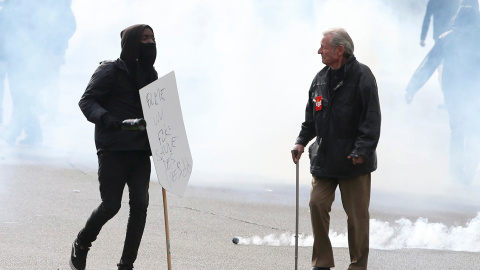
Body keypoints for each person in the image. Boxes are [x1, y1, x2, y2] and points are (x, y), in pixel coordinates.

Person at [69, 24, 158, 270]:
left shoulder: (151, 74)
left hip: (140, 151)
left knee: (140, 206)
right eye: (144, 38)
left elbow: (159, 112)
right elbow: (87, 101)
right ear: (131, 43)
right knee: (111, 205)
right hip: (113, 149)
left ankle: (126, 264)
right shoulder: (109, 70)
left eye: (152, 38)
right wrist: (107, 118)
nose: (150, 43)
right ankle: (82, 242)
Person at [291, 28, 381, 270]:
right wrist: (301, 141)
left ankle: (358, 265)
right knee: (316, 204)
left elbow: (371, 119)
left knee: (357, 218)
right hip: (325, 159)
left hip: (354, 161)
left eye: (324, 47)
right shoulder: (319, 79)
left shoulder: (363, 76)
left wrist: (362, 151)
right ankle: (322, 262)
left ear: (339, 50)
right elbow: (311, 118)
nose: (319, 51)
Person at [406, 1, 480, 185]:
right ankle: (468, 175)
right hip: (474, 92)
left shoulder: (447, 38)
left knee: (457, 130)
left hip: (453, 90)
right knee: (473, 130)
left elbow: (428, 64)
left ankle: (456, 174)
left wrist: (411, 88)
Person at [0, 0, 76, 145]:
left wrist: (51, 47)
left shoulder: (48, 5)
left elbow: (66, 26)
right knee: (23, 96)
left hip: (30, 56)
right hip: (14, 55)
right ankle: (33, 133)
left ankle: (14, 131)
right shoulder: (14, 6)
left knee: (24, 94)